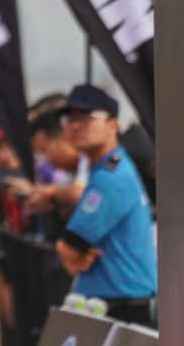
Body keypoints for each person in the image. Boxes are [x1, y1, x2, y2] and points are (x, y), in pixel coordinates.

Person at [54, 83, 158, 326]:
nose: (75, 126)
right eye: (71, 118)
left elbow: (70, 247)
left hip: (122, 308)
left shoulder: (111, 176)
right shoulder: (107, 168)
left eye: (86, 117)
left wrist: (67, 249)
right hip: (114, 304)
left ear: (113, 125)